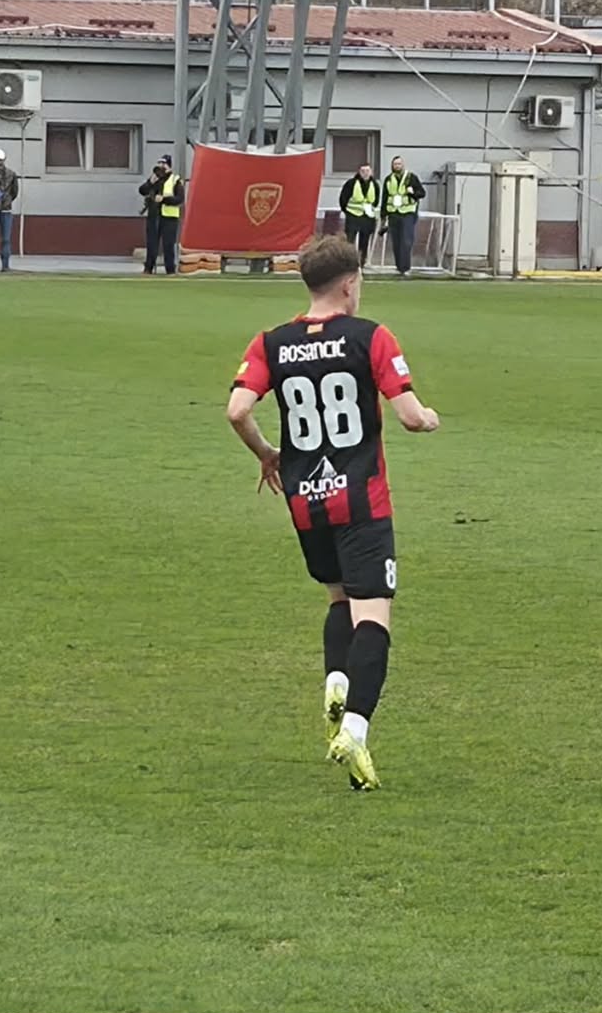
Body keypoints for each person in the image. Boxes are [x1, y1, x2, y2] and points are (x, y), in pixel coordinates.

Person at [225, 236, 441, 790]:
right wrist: (431, 417)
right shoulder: (370, 336)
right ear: (350, 283)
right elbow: (411, 417)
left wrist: (268, 454)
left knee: (338, 599)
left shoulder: (272, 342)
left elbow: (237, 409)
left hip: (305, 502)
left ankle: (336, 681)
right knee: (373, 615)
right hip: (362, 501)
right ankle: (356, 730)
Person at [381, 157, 426, 277]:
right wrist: (383, 216)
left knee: (406, 241)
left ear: (403, 165)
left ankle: (406, 268)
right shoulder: (388, 179)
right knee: (396, 241)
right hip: (393, 214)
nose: (397, 166)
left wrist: (412, 192)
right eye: (395, 164)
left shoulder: (411, 177)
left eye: (399, 164)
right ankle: (399, 267)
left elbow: (422, 193)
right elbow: (384, 198)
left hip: (408, 213)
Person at [139, 156, 185, 275]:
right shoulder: (155, 179)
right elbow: (142, 190)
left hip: (169, 217)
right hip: (154, 215)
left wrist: (164, 199)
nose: (161, 166)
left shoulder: (175, 180)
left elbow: (179, 199)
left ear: (169, 166)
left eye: (163, 164)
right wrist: (151, 182)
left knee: (168, 245)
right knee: (151, 244)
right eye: (159, 163)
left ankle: (170, 270)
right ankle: (148, 268)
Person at [339, 164, 381, 264]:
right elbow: (343, 198)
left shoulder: (375, 184)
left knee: (365, 240)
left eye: (367, 171)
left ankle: (362, 261)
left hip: (367, 217)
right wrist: (347, 211)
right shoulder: (351, 183)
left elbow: (376, 201)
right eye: (363, 171)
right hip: (353, 216)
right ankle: (348, 261)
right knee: (350, 239)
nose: (365, 173)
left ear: (371, 172)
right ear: (359, 172)